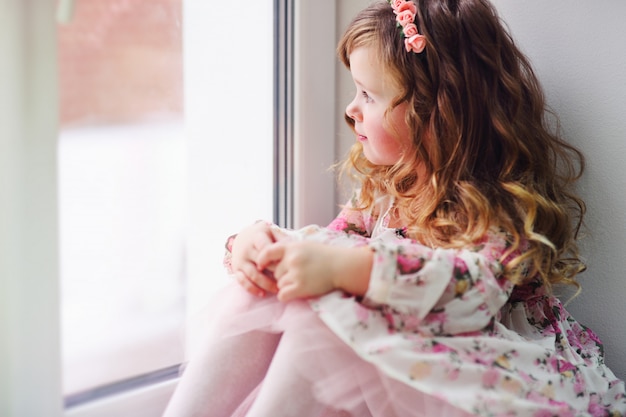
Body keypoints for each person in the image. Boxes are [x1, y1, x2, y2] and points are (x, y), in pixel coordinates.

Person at [163, 0, 626, 416]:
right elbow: (332, 245)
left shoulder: (494, 206)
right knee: (278, 288)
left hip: (486, 363)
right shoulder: (387, 190)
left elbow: (473, 295)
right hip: (406, 349)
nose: (351, 109)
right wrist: (257, 247)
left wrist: (347, 268)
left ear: (436, 110)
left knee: (319, 321)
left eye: (368, 95)